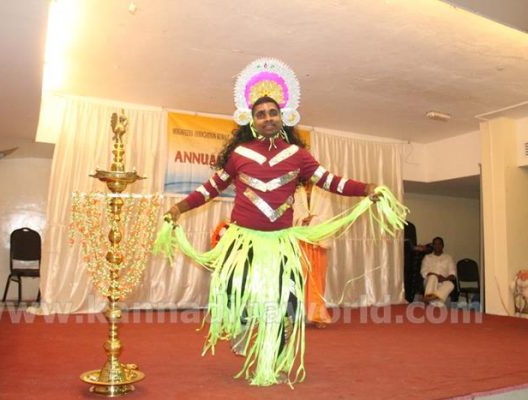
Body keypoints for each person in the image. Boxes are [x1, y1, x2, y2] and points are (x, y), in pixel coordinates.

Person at [160, 58, 388, 386]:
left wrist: (367, 188)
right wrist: (178, 208)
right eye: (261, 114)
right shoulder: (239, 155)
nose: (267, 118)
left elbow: (331, 181)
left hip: (281, 244)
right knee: (236, 291)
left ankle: (274, 358)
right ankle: (241, 329)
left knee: (286, 304)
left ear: (283, 117)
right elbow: (210, 189)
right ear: (251, 120)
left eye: (273, 113)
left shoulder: (298, 155)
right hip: (243, 243)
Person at [293, 181, 331, 328]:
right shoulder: (296, 190)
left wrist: (314, 219)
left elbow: (328, 215)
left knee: (317, 278)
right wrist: (302, 219)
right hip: (301, 240)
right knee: (298, 278)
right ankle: (297, 315)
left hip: (318, 241)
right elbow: (292, 212)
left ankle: (318, 316)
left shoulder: (323, 191)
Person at [420, 236, 456, 307]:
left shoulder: (448, 258)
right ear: (433, 246)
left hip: (443, 281)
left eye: (439, 244)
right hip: (429, 281)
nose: (437, 246)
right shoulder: (427, 257)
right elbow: (423, 272)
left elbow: (453, 274)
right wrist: (436, 276)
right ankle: (432, 298)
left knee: (450, 284)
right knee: (433, 277)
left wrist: (444, 279)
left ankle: (430, 300)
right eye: (435, 244)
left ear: (443, 245)